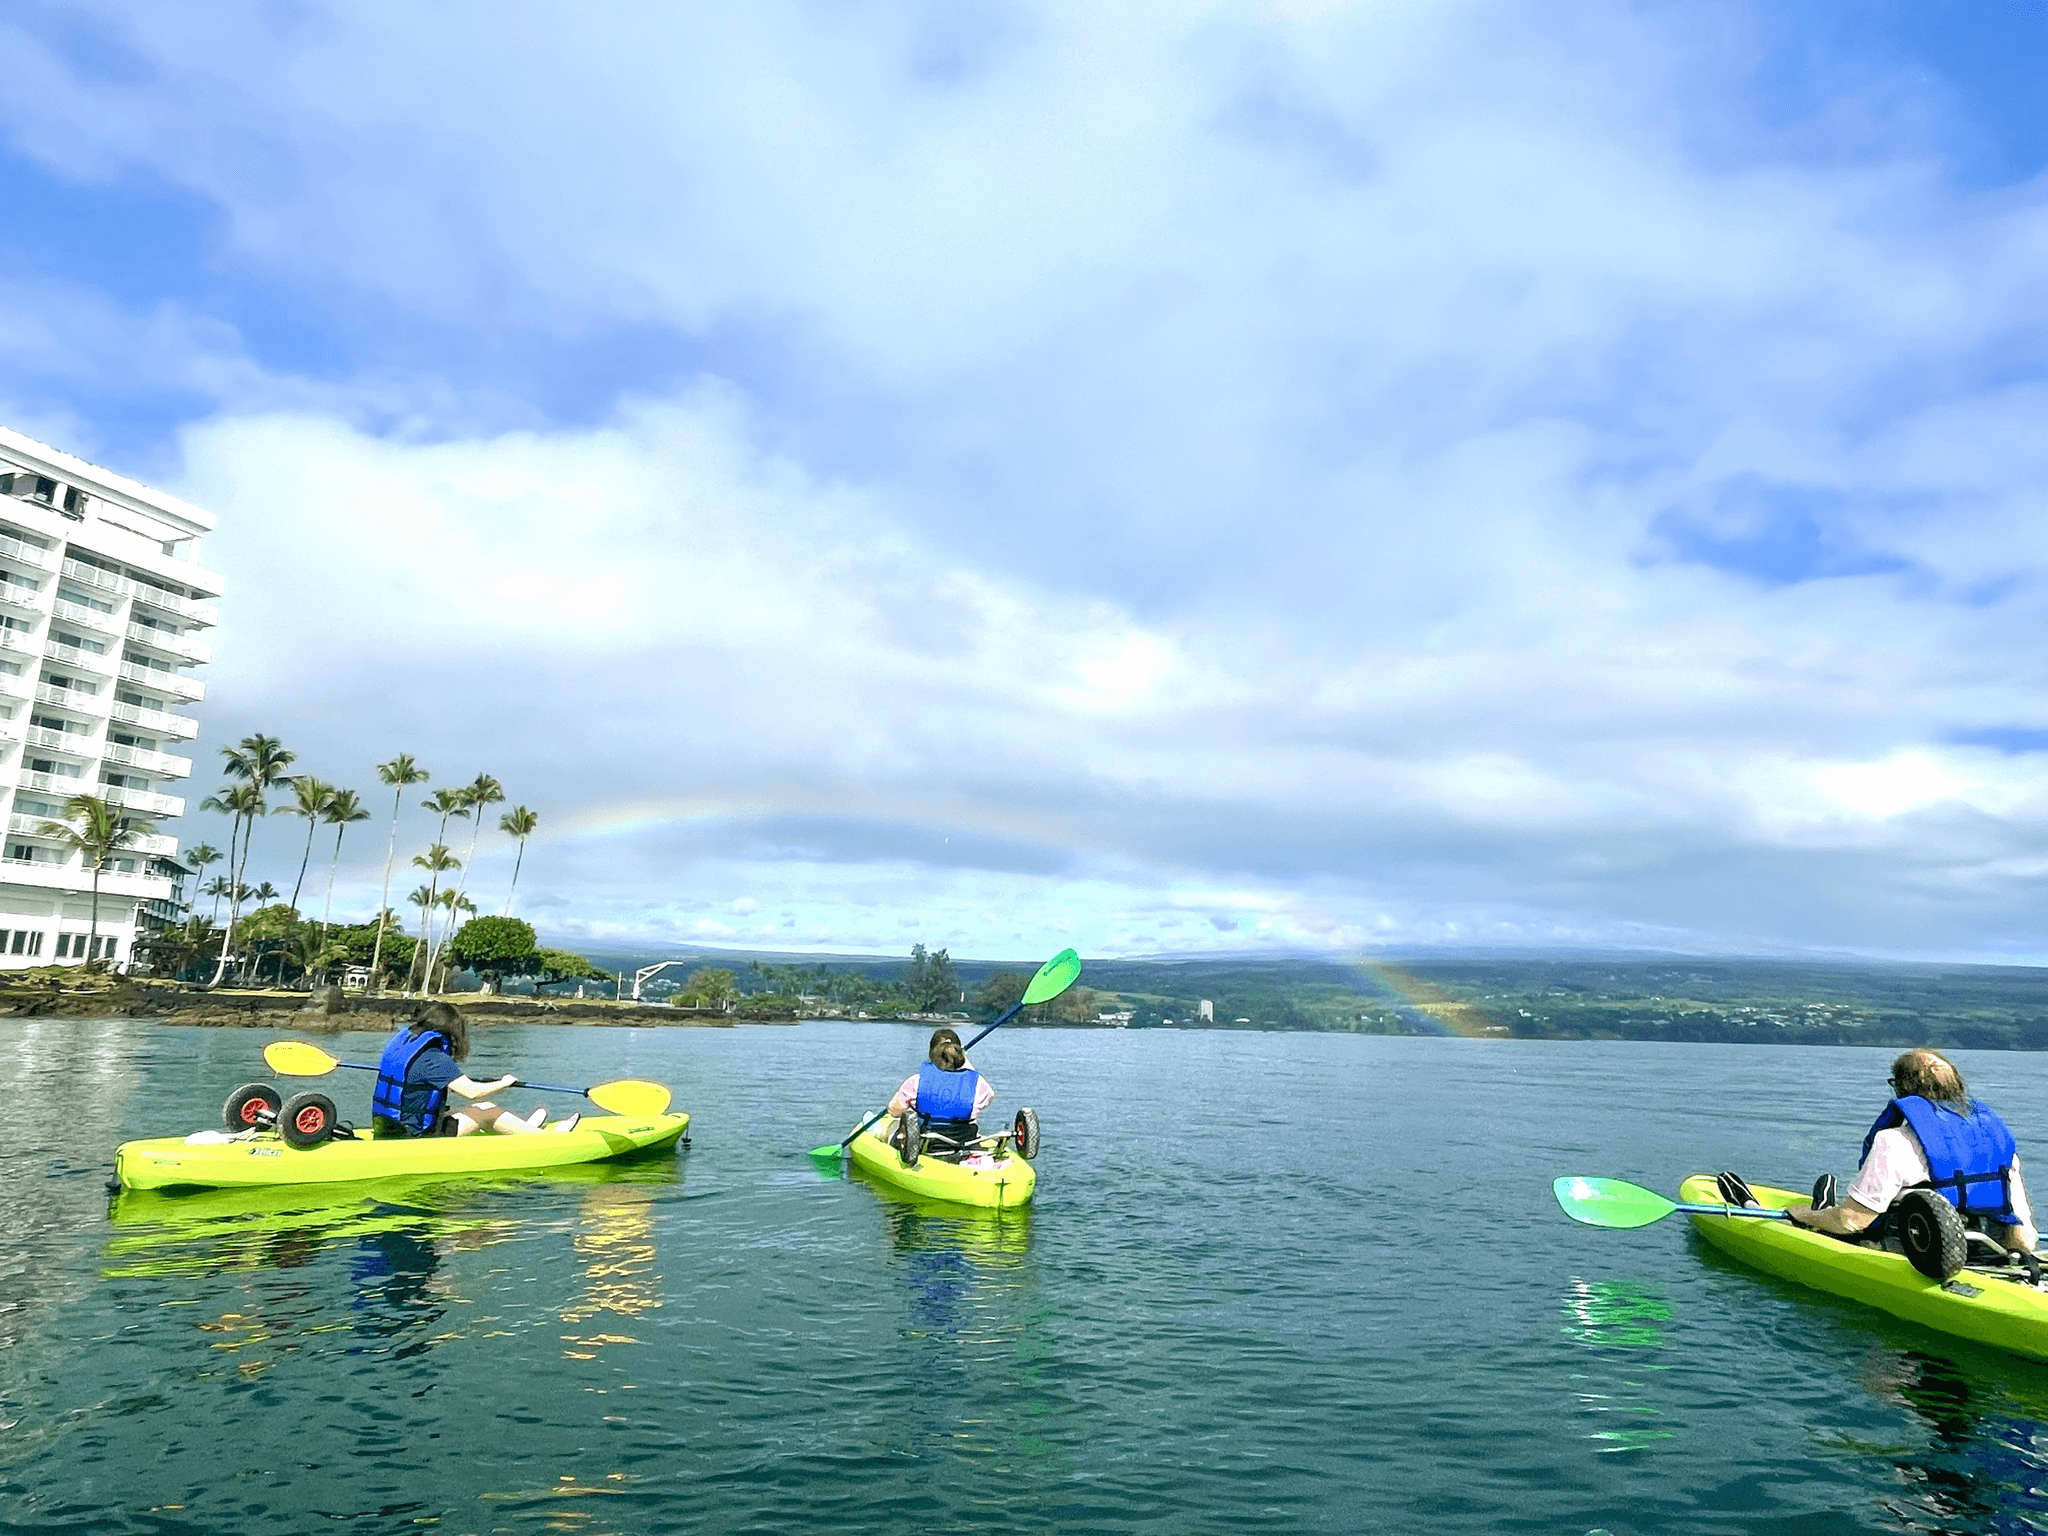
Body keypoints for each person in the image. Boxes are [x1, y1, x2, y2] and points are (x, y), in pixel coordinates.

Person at [1761, 1049, 2037, 1254]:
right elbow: (2024, 1238)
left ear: (1901, 1088)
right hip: (1987, 1253)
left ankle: (1810, 1208)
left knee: (1821, 1218)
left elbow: (1851, 1221)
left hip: (1909, 1252)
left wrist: (1801, 1215)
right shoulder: (2000, 1148)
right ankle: (1823, 1204)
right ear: (1958, 1085)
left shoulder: (1894, 1141)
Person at [369, 1001, 575, 1138]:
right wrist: (504, 1082)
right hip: (418, 1135)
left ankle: (524, 1129)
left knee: (478, 1107)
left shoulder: (405, 1044)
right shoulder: (433, 1058)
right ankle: (544, 1138)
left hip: (387, 1127)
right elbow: (471, 1091)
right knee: (488, 1111)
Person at [887, 1027, 996, 1158]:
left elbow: (894, 1111)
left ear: (931, 1053)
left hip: (926, 1146)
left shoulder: (916, 1082)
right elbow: (988, 1099)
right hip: (964, 1144)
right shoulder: (979, 1084)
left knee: (892, 1126)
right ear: (960, 1054)